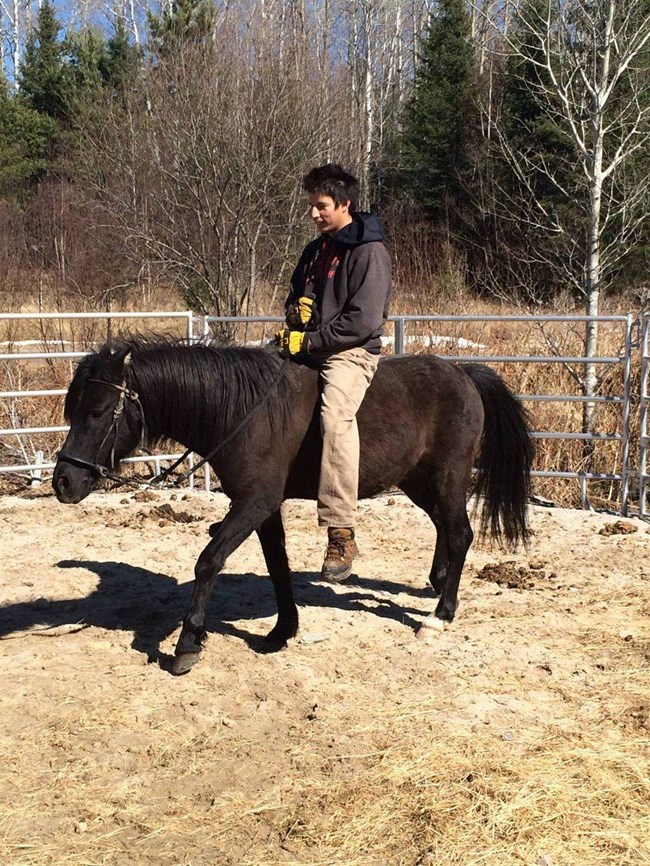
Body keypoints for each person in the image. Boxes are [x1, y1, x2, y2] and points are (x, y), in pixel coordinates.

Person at [275, 163, 392, 582]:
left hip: (351, 353)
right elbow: (295, 298)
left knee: (335, 419)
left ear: (344, 203)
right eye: (311, 206)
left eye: (320, 206)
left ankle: (341, 530)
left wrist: (306, 342)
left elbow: (362, 322)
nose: (313, 214)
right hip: (312, 346)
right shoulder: (316, 250)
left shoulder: (369, 252)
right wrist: (295, 312)